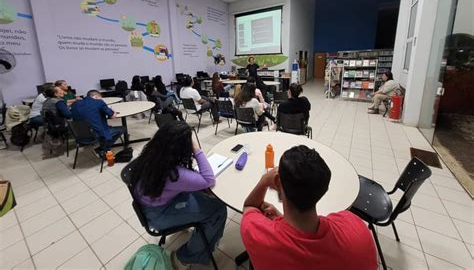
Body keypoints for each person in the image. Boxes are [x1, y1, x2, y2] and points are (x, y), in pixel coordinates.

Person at [240, 145, 378, 270]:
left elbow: (249, 206)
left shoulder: (259, 236)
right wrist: (281, 218)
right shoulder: (357, 229)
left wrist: (264, 180)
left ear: (277, 182)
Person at [132, 122, 227, 267]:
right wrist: (197, 149)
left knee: (203, 195)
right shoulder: (174, 174)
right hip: (158, 214)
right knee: (218, 209)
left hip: (152, 201)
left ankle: (196, 233)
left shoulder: (153, 155)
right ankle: (184, 257)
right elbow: (208, 179)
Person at [70, 90, 124, 157]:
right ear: (95, 96)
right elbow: (112, 116)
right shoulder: (99, 102)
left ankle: (102, 146)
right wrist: (113, 111)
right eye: (100, 98)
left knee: (102, 125)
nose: (101, 100)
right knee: (122, 128)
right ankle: (103, 149)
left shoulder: (75, 104)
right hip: (94, 134)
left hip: (80, 135)